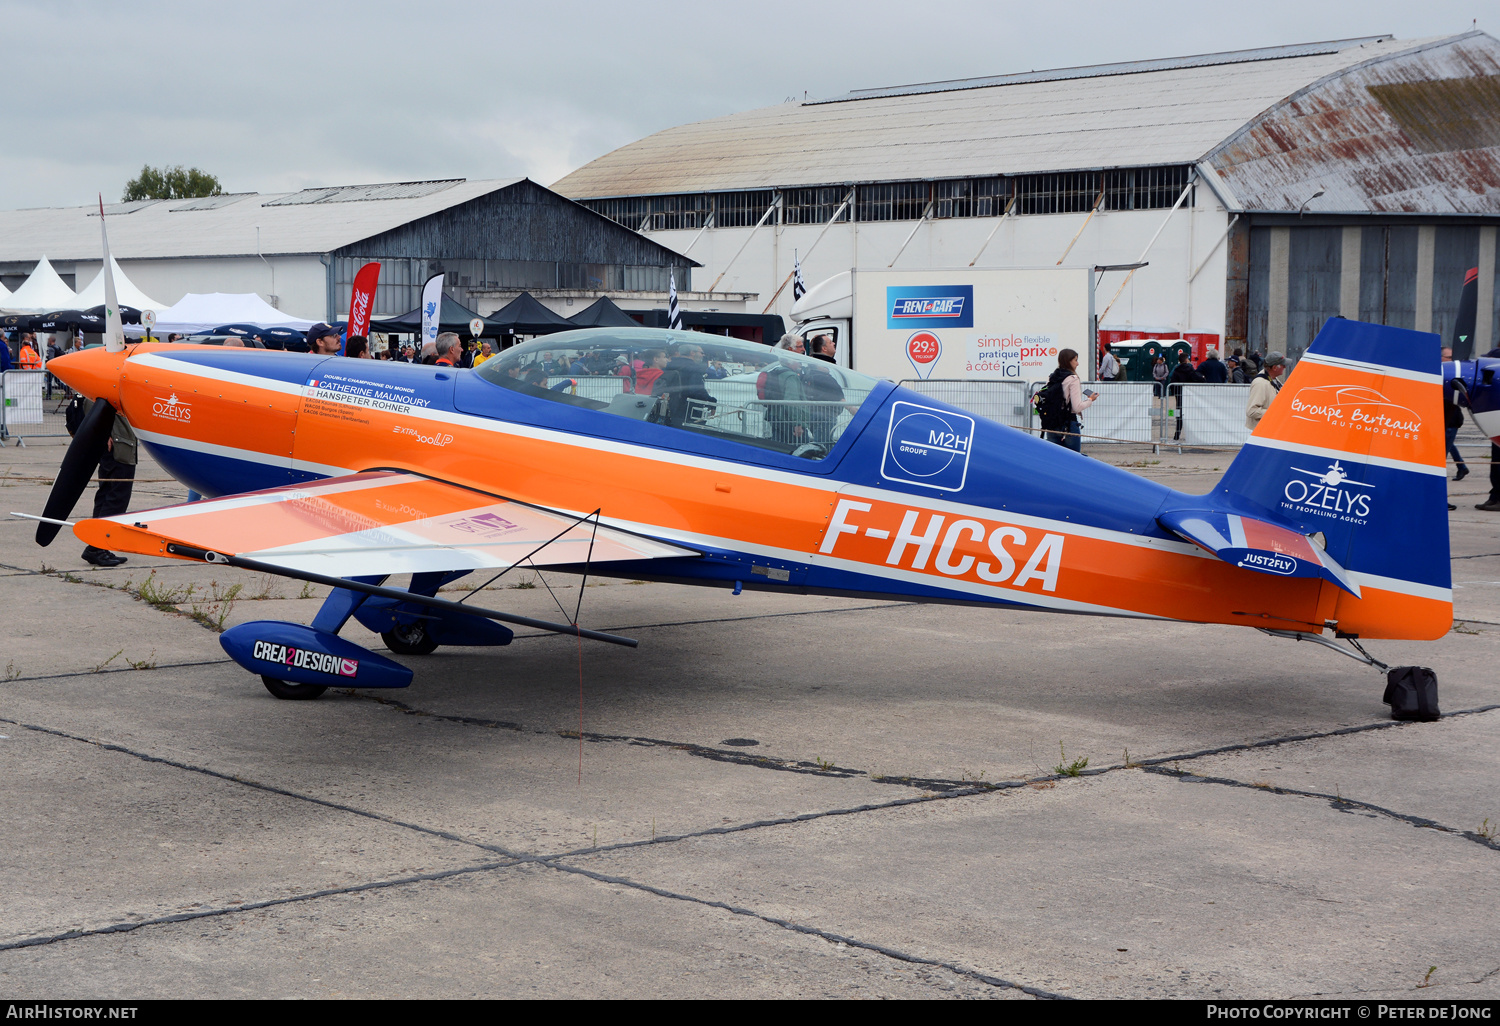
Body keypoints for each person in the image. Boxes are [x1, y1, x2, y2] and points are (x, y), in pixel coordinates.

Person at [76, 400, 137, 567]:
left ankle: (98, 545)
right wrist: (103, 433)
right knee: (116, 498)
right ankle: (96, 548)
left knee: (106, 495)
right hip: (118, 446)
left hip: (120, 443)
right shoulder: (103, 385)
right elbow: (92, 403)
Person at [1039, 348, 1094, 452]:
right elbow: (1076, 406)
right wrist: (1090, 400)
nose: (1077, 364)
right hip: (1068, 424)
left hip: (1052, 424)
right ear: (1069, 361)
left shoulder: (1051, 377)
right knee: (1073, 460)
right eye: (1076, 360)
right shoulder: (1073, 379)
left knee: (1055, 459)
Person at [762, 337, 813, 445]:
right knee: (802, 452)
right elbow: (792, 401)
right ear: (790, 350)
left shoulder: (777, 371)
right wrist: (798, 424)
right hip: (789, 422)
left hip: (776, 417)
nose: (804, 349)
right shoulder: (791, 377)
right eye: (800, 346)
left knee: (779, 449)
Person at [652, 341, 715, 426]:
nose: (702, 355)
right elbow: (696, 390)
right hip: (687, 411)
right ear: (692, 353)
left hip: (668, 409)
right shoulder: (694, 368)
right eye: (701, 353)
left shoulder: (668, 366)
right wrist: (711, 401)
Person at [1441, 347, 1470, 483]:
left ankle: (1461, 466)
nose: (1453, 360)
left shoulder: (1453, 375)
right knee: (1449, 445)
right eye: (1449, 357)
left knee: (1442, 453)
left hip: (1450, 422)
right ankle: (1461, 466)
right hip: (1441, 423)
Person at [1245, 351, 1286, 430]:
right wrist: (1277, 413)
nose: (1285, 367)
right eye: (1283, 365)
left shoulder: (1273, 379)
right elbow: (1252, 411)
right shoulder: (1260, 383)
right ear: (1274, 368)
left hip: (1268, 428)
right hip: (1262, 430)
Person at [1169, 353, 1203, 440]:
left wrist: (1175, 392)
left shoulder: (1176, 370)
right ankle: (1193, 435)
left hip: (1179, 394)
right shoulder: (1190, 369)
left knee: (1179, 414)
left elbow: (1172, 382)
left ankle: (1177, 434)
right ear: (1186, 360)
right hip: (1189, 395)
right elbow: (1197, 378)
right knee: (1191, 413)